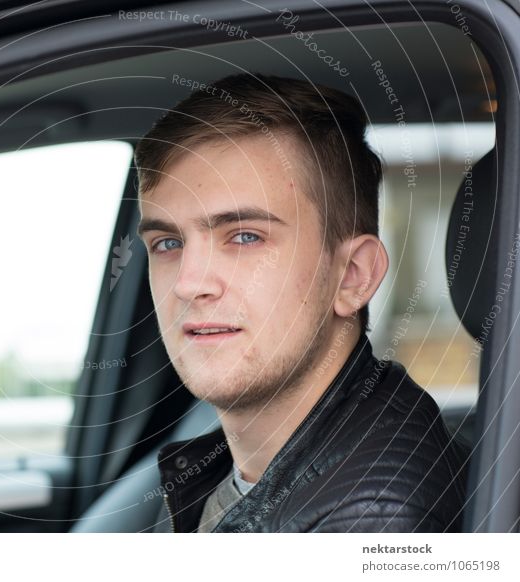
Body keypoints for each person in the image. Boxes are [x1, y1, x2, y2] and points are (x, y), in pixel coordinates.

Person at [134, 72, 469, 532]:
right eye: (168, 243)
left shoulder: (367, 516)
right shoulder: (236, 463)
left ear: (353, 276)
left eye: (246, 236)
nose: (188, 284)